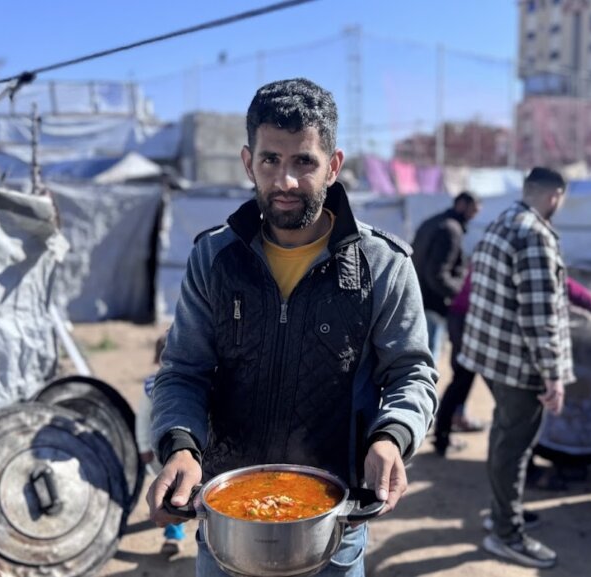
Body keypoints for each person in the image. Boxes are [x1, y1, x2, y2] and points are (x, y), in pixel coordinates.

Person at [145, 78, 438, 577]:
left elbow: (411, 373)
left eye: (304, 161)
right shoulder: (213, 258)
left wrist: (392, 437)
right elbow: (183, 370)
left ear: (333, 165)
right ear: (248, 163)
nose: (285, 181)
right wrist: (180, 445)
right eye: (270, 160)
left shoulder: (384, 265)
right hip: (227, 519)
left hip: (334, 524)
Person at [458, 166, 574, 569]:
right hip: (520, 366)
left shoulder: (502, 221)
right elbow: (539, 317)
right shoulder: (535, 235)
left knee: (505, 438)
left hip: (493, 356)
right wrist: (553, 374)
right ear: (555, 195)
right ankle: (506, 533)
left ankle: (502, 513)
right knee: (515, 447)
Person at [434, 273, 591, 457]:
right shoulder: (527, 260)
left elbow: (566, 289)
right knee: (502, 394)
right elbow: (562, 288)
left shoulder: (497, 253)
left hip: (466, 318)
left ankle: (442, 438)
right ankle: (514, 459)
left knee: (465, 381)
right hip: (472, 321)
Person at [411, 191, 481, 365]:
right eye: (473, 211)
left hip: (417, 297)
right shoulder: (450, 229)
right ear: (462, 205)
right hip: (432, 303)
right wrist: (457, 293)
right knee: (427, 360)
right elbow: (438, 274)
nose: (473, 216)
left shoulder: (432, 222)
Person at [135, 334, 185, 557]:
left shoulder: (194, 384)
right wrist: (143, 446)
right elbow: (143, 419)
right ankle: (173, 535)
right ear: (158, 359)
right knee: (171, 494)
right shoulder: (151, 386)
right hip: (161, 453)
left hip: (193, 453)